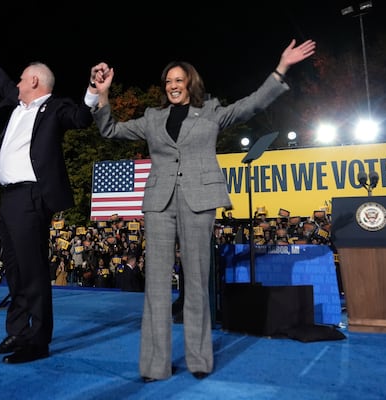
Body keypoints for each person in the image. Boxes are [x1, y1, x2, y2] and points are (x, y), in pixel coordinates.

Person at [89, 38, 316, 381]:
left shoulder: (211, 111)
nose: (172, 86)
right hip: (159, 203)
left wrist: (281, 68)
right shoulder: (152, 117)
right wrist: (102, 94)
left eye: (178, 80)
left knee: (196, 282)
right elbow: (109, 130)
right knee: (156, 285)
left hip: (199, 199)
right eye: (167, 82)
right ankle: (155, 365)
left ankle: (198, 359)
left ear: (190, 83)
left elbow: (251, 105)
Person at [0, 31, 98, 364]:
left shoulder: (55, 108)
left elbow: (81, 118)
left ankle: (38, 340)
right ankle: (18, 332)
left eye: (22, 78)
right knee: (14, 269)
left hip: (32, 196)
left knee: (33, 270)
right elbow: (0, 80)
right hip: (9, 198)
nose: (16, 83)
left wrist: (94, 91)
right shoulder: (16, 103)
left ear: (34, 80)